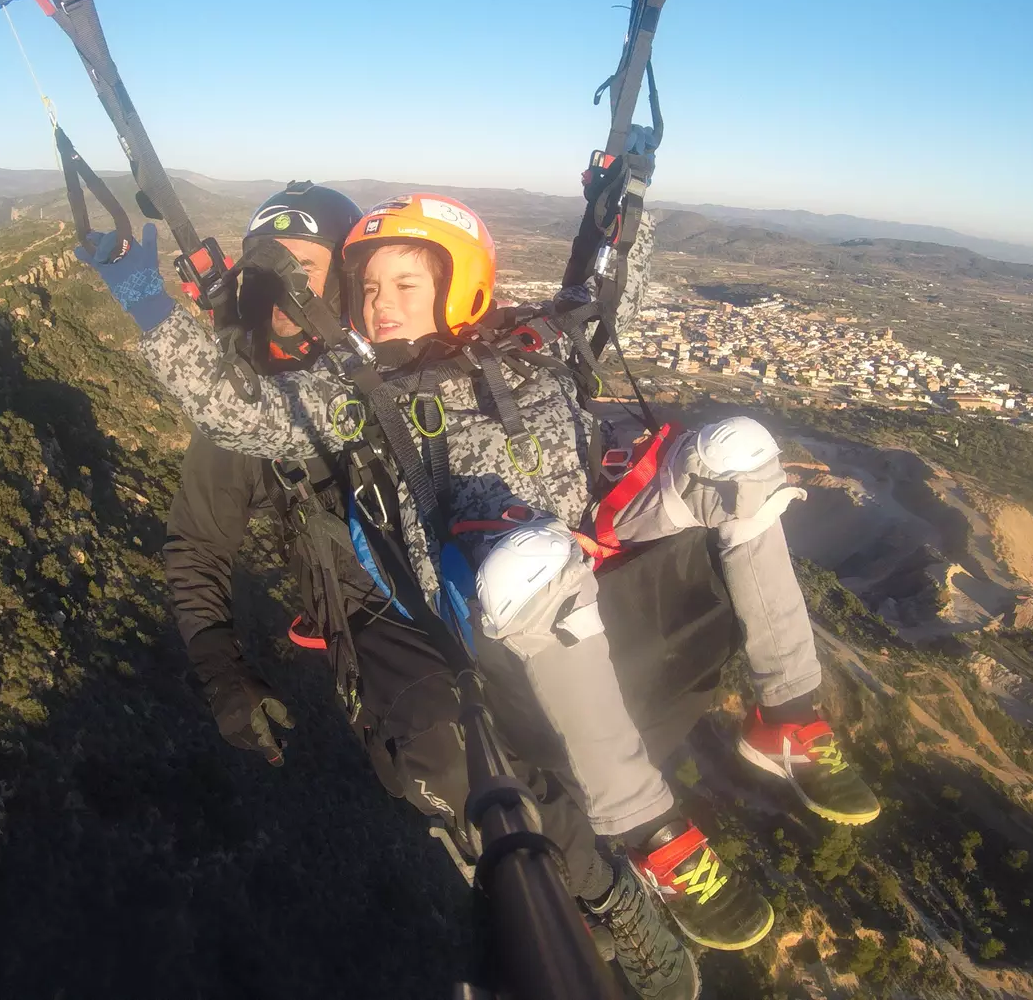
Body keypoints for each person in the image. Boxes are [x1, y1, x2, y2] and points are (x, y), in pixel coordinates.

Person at [83, 191, 879, 955]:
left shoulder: (516, 343)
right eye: (366, 287)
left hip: (565, 539)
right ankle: (628, 864)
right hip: (430, 597)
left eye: (331, 273)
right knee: (469, 761)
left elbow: (599, 303)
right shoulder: (322, 393)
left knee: (739, 451)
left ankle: (790, 710)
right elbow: (221, 451)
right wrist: (222, 666)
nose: (373, 301)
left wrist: (624, 208)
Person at [158, 183, 701, 999]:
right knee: (448, 757)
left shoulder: (412, 364)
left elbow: (553, 342)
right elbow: (196, 544)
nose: (286, 295)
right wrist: (218, 664)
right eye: (268, 276)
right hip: (373, 610)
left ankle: (634, 833)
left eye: (308, 272)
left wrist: (613, 228)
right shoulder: (249, 410)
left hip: (470, 566)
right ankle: (604, 894)